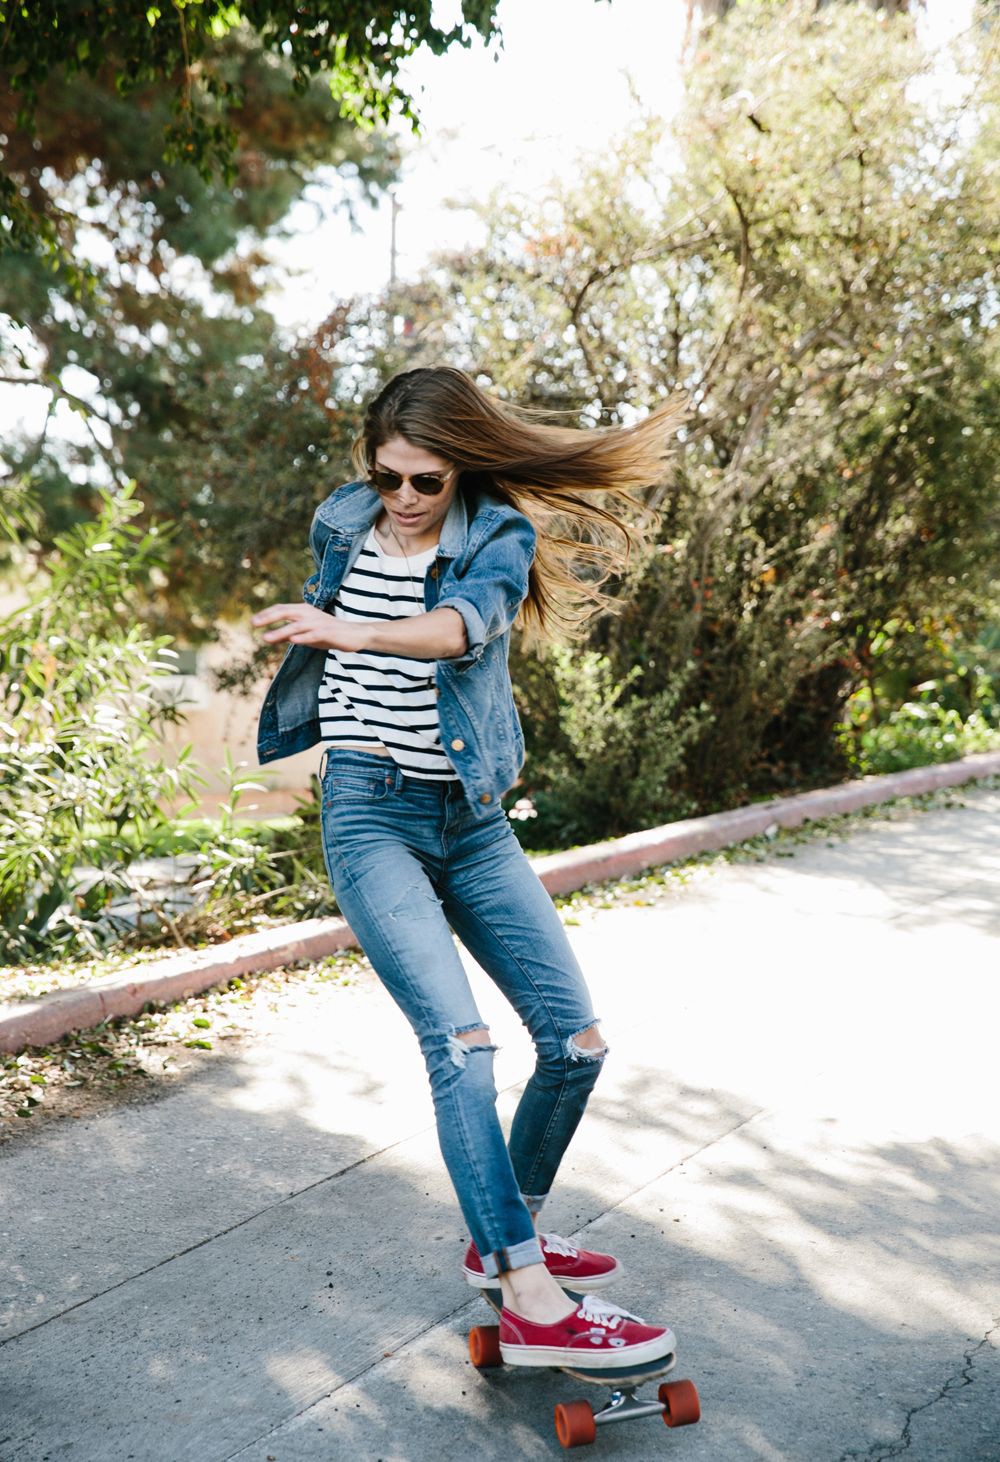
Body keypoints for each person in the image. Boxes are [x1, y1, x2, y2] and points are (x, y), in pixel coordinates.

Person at [252, 365, 685, 1368]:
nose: (403, 500)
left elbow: (460, 629)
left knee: (574, 1045)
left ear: (464, 473)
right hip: (370, 817)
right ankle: (526, 1283)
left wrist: (352, 630)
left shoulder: (495, 536)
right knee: (463, 1044)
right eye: (389, 476)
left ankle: (508, 1234)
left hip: (473, 820)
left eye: (427, 482)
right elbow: (341, 591)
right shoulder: (343, 519)